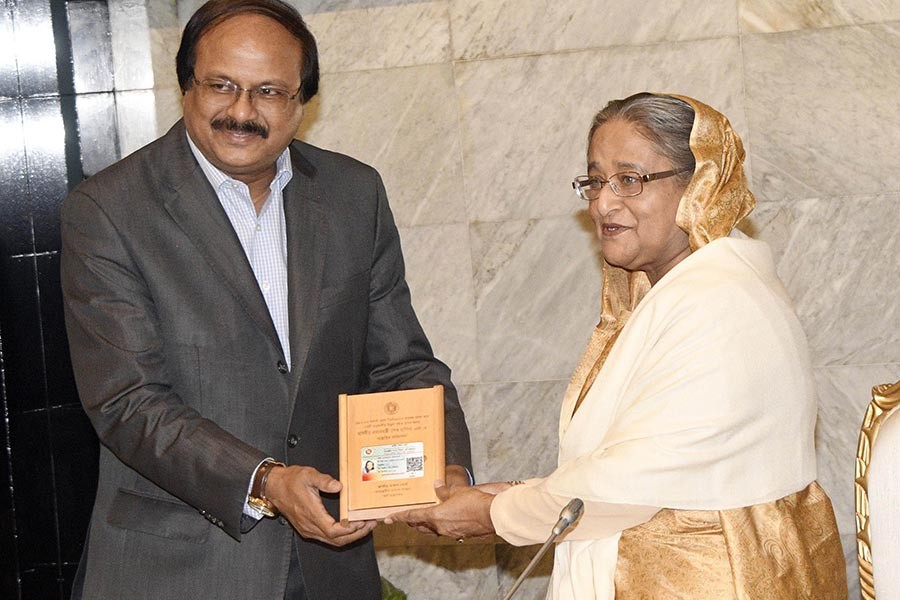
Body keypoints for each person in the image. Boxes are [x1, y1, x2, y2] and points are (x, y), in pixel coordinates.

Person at [60, 1, 472, 598]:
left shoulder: (355, 194)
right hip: (180, 570)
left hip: (331, 566)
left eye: (270, 92)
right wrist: (265, 481)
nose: (242, 111)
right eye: (221, 85)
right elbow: (127, 401)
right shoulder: (109, 210)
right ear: (187, 87)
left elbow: (400, 363)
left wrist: (443, 466)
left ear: (302, 102)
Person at [387, 93, 847, 598]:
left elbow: (628, 484)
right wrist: (515, 495)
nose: (603, 203)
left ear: (701, 185)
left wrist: (496, 513)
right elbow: (644, 461)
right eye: (595, 181)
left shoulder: (716, 301)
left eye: (631, 180)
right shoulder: (688, 290)